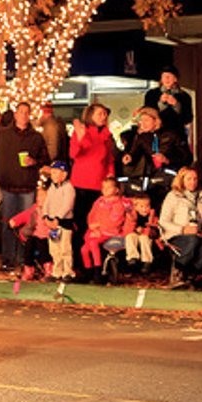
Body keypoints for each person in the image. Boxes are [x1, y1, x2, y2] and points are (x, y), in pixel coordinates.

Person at [0, 104, 48, 273]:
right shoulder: (3, 135)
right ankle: (8, 259)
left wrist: (35, 163)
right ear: (15, 114)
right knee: (8, 224)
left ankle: (26, 260)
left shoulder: (36, 137)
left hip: (27, 186)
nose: (24, 115)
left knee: (28, 226)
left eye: (27, 112)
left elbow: (45, 159)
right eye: (21, 112)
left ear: (30, 115)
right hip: (8, 185)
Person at [66, 103, 114, 278]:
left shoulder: (106, 136)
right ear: (91, 115)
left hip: (99, 188)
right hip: (82, 186)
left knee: (99, 227)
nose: (103, 116)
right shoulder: (83, 132)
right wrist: (80, 137)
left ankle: (97, 265)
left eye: (105, 114)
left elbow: (109, 160)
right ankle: (80, 266)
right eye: (100, 113)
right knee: (81, 226)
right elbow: (74, 153)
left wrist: (111, 180)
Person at [159, 167, 202, 284]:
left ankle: (192, 274)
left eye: (195, 179)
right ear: (182, 180)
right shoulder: (173, 196)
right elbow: (163, 221)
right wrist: (183, 230)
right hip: (177, 235)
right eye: (189, 179)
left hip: (201, 233)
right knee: (193, 240)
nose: (193, 182)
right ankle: (179, 269)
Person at [120, 106, 188, 204]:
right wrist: (129, 158)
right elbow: (134, 154)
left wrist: (167, 160)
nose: (143, 123)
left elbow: (185, 156)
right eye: (141, 121)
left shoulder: (171, 135)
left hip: (170, 176)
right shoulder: (141, 137)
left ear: (156, 121)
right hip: (151, 177)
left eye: (146, 120)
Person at [81, 177, 135, 277]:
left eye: (109, 187)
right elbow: (91, 215)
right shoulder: (99, 202)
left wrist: (100, 226)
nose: (105, 189)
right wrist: (93, 226)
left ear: (116, 190)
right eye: (103, 187)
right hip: (96, 231)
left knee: (93, 243)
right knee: (84, 249)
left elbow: (115, 221)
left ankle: (98, 270)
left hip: (110, 232)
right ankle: (88, 271)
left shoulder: (119, 204)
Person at [41, 160, 76, 282]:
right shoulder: (52, 188)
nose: (53, 176)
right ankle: (57, 271)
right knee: (54, 249)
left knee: (65, 248)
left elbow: (67, 205)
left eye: (56, 173)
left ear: (64, 174)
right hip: (51, 222)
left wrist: (58, 218)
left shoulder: (68, 188)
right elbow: (47, 202)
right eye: (52, 173)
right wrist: (45, 216)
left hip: (63, 222)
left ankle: (68, 272)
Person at [143, 66, 193, 134]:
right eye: (164, 76)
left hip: (177, 134)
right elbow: (147, 114)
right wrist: (161, 104)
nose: (167, 79)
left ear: (175, 79)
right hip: (157, 134)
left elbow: (188, 119)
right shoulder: (151, 94)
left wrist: (176, 105)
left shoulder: (184, 96)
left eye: (169, 76)